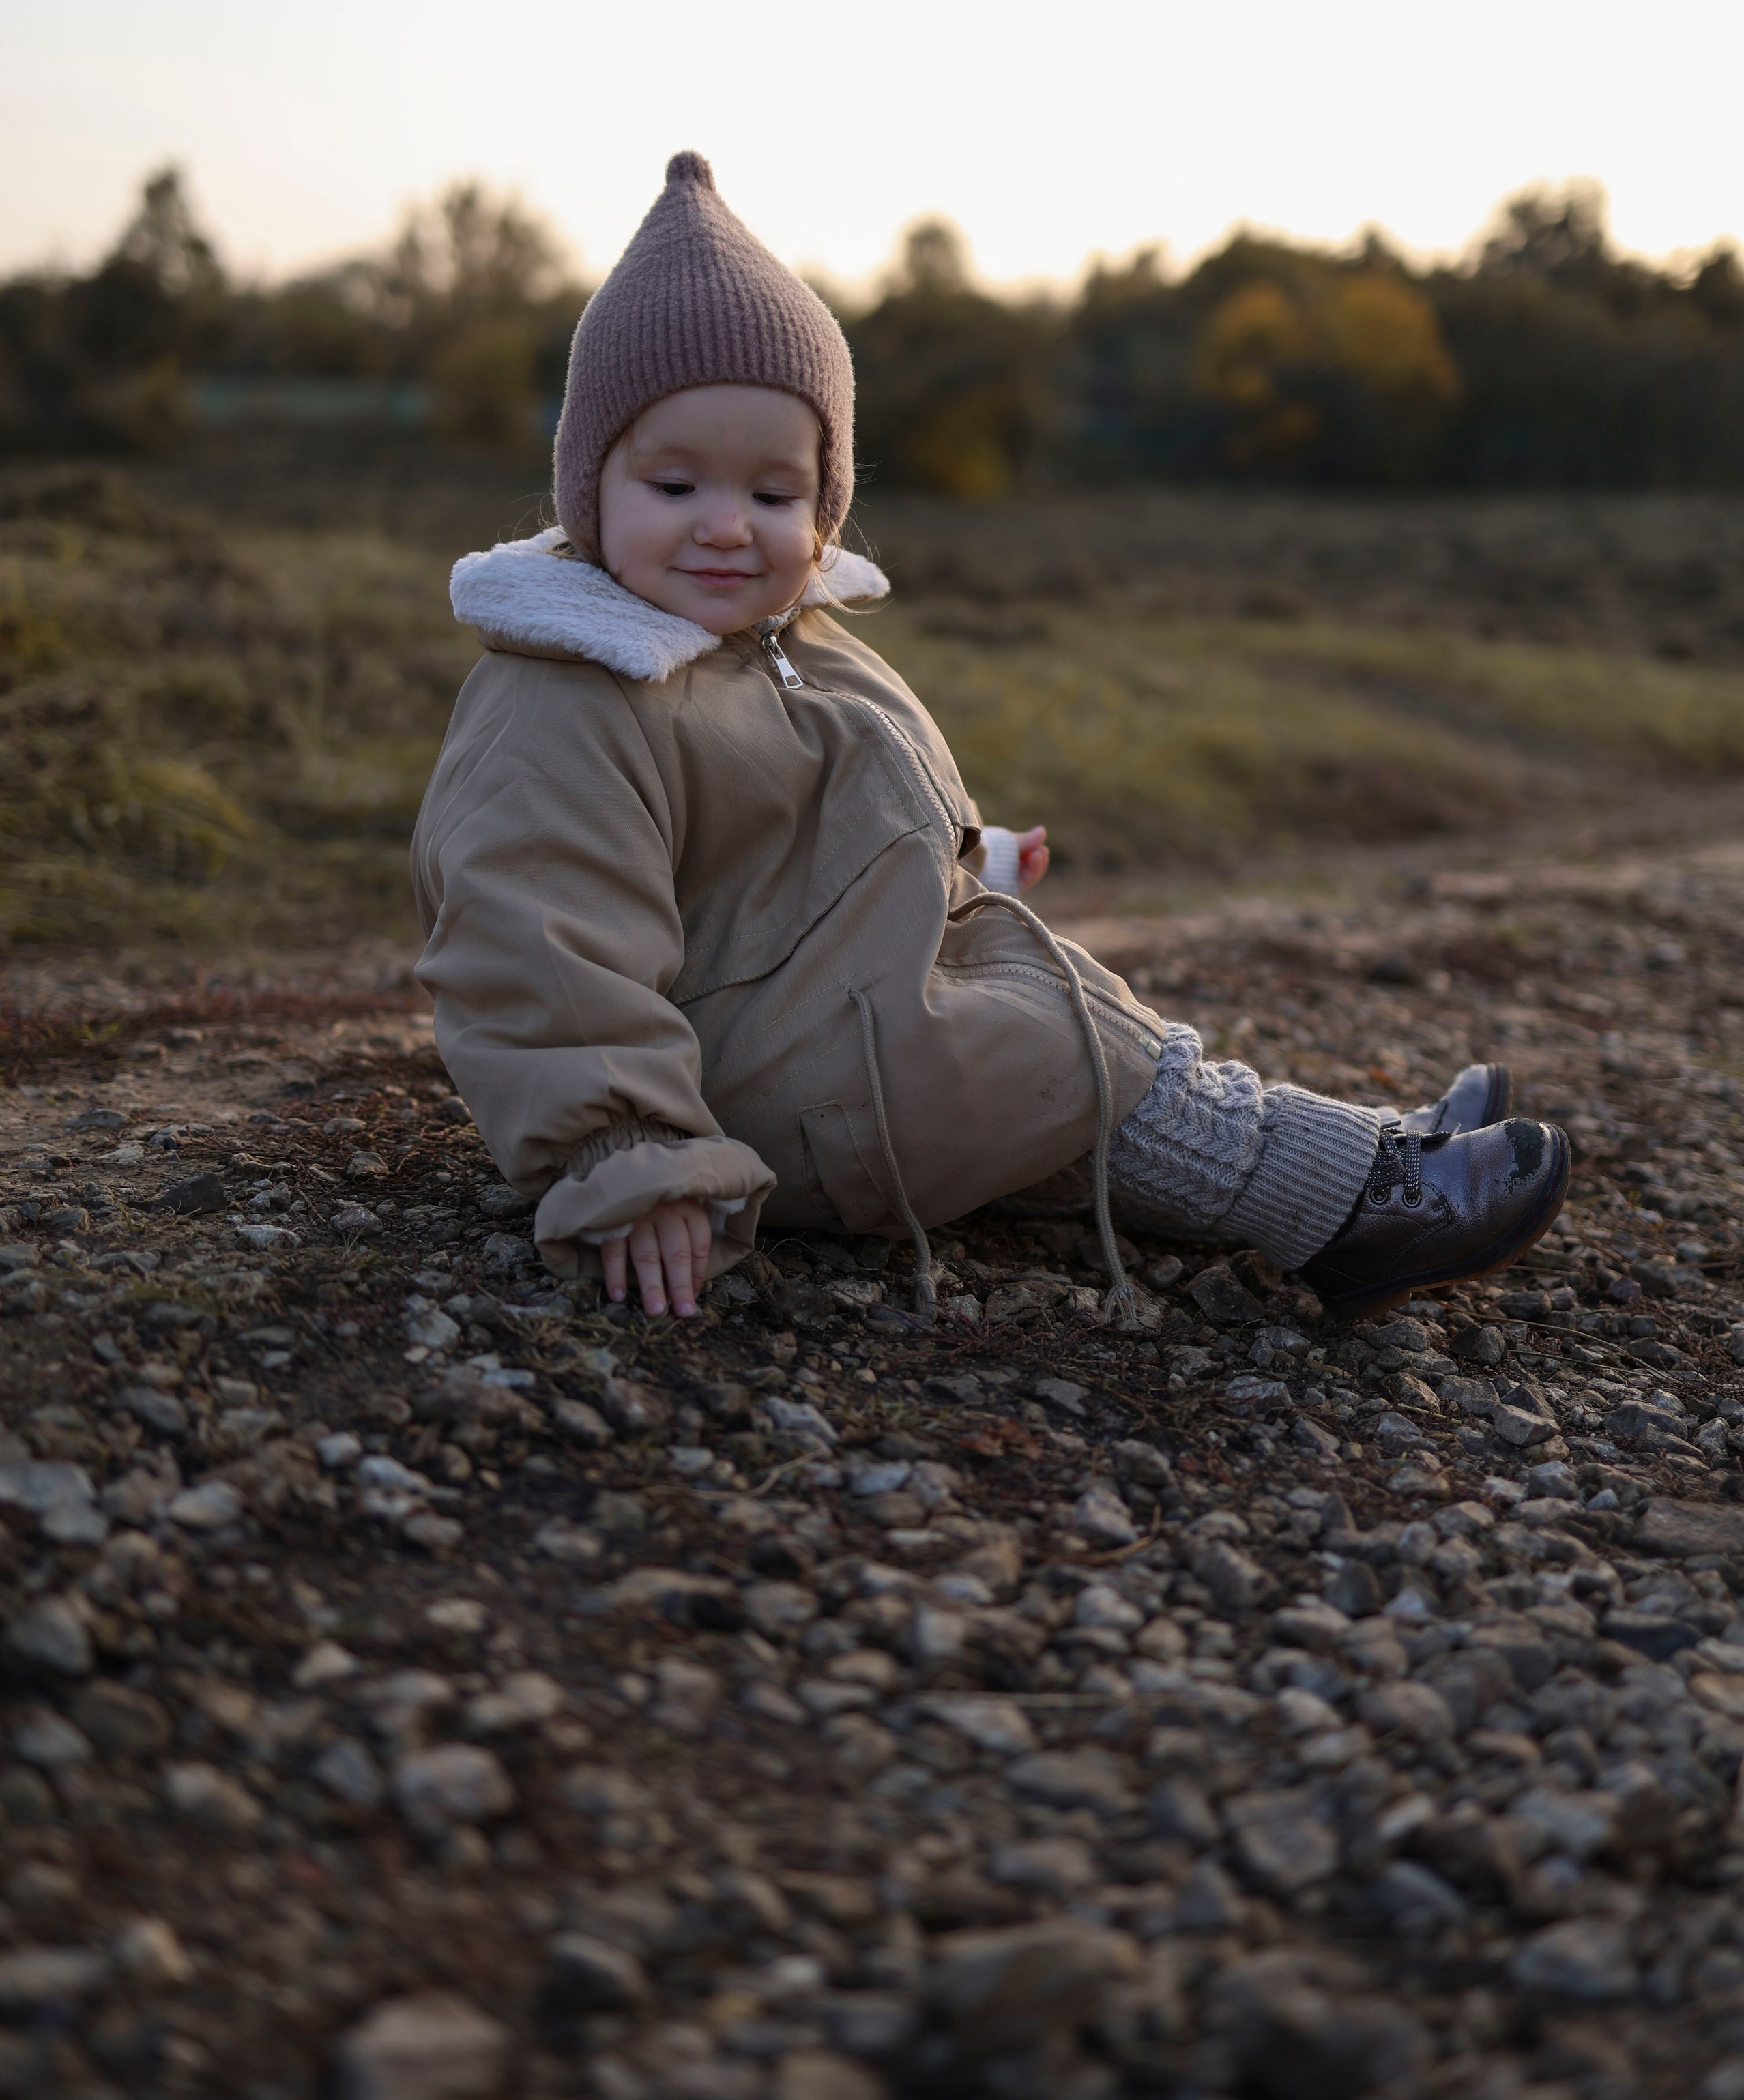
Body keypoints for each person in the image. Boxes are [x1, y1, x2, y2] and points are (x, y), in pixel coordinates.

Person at [411, 154, 1567, 1328]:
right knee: (1063, 1046)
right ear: (588, 486)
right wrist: (629, 1161)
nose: (727, 526)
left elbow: (797, 839)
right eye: (673, 484)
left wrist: (972, 859)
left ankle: (1369, 1152)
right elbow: (544, 952)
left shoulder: (784, 636)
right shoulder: (568, 700)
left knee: (1058, 1031)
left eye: (774, 496)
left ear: (826, 500)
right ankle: (1349, 1205)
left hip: (812, 1034)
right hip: (737, 1101)